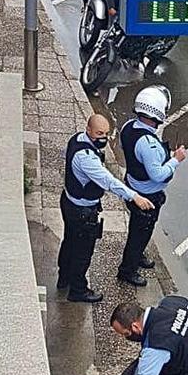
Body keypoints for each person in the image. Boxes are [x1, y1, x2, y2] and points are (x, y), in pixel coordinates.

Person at [57, 114, 154, 303]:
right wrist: (134, 196)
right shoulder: (86, 158)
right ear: (88, 130)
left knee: (69, 242)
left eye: (107, 133)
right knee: (82, 253)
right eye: (99, 133)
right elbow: (108, 181)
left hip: (69, 202)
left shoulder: (76, 139)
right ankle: (78, 290)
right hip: (82, 212)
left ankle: (64, 278)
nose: (103, 138)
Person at [117, 85, 186, 287]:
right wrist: (176, 160)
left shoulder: (128, 126)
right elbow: (158, 175)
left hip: (133, 186)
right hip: (147, 196)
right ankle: (127, 270)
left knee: (139, 230)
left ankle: (137, 257)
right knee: (140, 233)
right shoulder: (149, 144)